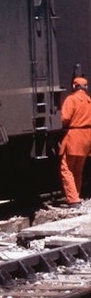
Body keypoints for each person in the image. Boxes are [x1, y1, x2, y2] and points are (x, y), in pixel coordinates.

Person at [59, 75, 91, 206]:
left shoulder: (71, 100)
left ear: (74, 86)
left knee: (66, 168)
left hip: (74, 136)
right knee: (78, 169)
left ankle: (73, 199)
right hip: (87, 137)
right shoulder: (89, 101)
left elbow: (65, 118)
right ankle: (76, 195)